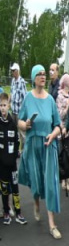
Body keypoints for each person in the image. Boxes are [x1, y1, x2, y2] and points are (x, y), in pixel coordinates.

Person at [18, 65, 62, 238]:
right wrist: (26, 125)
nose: (43, 76)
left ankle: (52, 224)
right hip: (32, 144)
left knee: (50, 184)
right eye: (40, 74)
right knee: (36, 181)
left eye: (45, 74)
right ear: (34, 77)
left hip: (47, 144)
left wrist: (53, 134)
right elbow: (19, 121)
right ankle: (36, 203)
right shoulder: (28, 98)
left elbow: (58, 125)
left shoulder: (51, 99)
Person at [0, 92, 26, 225]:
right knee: (4, 189)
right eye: (0, 105)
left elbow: (17, 141)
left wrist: (16, 154)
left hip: (12, 164)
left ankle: (18, 212)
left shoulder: (12, 122)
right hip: (2, 165)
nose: (2, 108)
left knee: (15, 188)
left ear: (9, 105)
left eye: (5, 105)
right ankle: (5, 211)